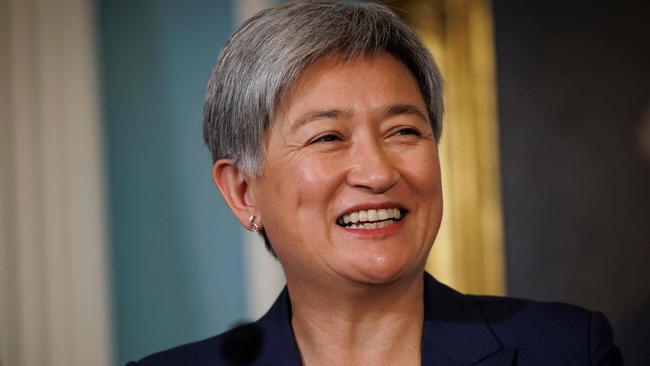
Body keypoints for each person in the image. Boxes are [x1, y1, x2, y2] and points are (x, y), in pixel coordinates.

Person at [128, 1, 623, 365]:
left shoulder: (565, 348)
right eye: (327, 137)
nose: (379, 172)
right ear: (242, 192)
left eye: (404, 131)